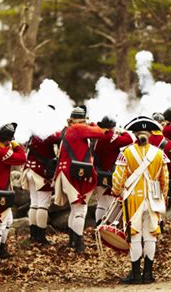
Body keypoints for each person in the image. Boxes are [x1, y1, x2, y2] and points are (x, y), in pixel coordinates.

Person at [112, 116, 169, 284]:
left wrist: (117, 191)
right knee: (151, 235)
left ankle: (136, 274)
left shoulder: (125, 152)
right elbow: (164, 179)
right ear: (150, 134)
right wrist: (162, 198)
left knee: (135, 236)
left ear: (136, 134)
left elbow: (118, 178)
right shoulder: (159, 153)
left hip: (133, 198)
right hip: (154, 196)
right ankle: (148, 274)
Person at [53, 107, 104, 253]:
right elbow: (100, 132)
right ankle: (79, 244)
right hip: (74, 173)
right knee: (81, 209)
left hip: (68, 171)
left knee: (75, 209)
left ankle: (72, 241)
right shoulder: (78, 128)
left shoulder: (67, 129)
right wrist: (93, 123)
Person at [0, 123, 27, 269]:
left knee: (8, 220)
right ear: (7, 140)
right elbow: (22, 158)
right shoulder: (2, 153)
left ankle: (1, 250)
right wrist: (15, 145)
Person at [94, 115, 133, 224]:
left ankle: (99, 225)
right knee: (111, 202)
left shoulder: (99, 135)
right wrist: (123, 132)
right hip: (108, 174)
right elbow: (129, 140)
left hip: (99, 172)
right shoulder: (110, 136)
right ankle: (106, 227)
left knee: (101, 203)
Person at [22, 132, 58, 245]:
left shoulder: (32, 131)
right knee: (43, 204)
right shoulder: (47, 131)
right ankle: (41, 237)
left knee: (34, 203)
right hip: (41, 171)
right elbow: (58, 138)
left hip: (29, 169)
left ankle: (34, 234)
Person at [151, 112, 171, 231]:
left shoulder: (140, 142)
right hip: (159, 182)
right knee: (158, 207)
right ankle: (157, 230)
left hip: (142, 181)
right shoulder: (169, 144)